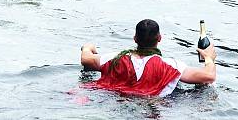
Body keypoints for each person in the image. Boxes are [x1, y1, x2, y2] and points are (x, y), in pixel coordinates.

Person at [79, 19, 217, 97]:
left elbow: (86, 59)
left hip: (113, 100)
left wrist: (88, 46)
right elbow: (209, 76)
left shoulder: (115, 58)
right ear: (160, 39)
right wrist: (209, 58)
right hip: (151, 105)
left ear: (135, 39)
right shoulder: (171, 66)